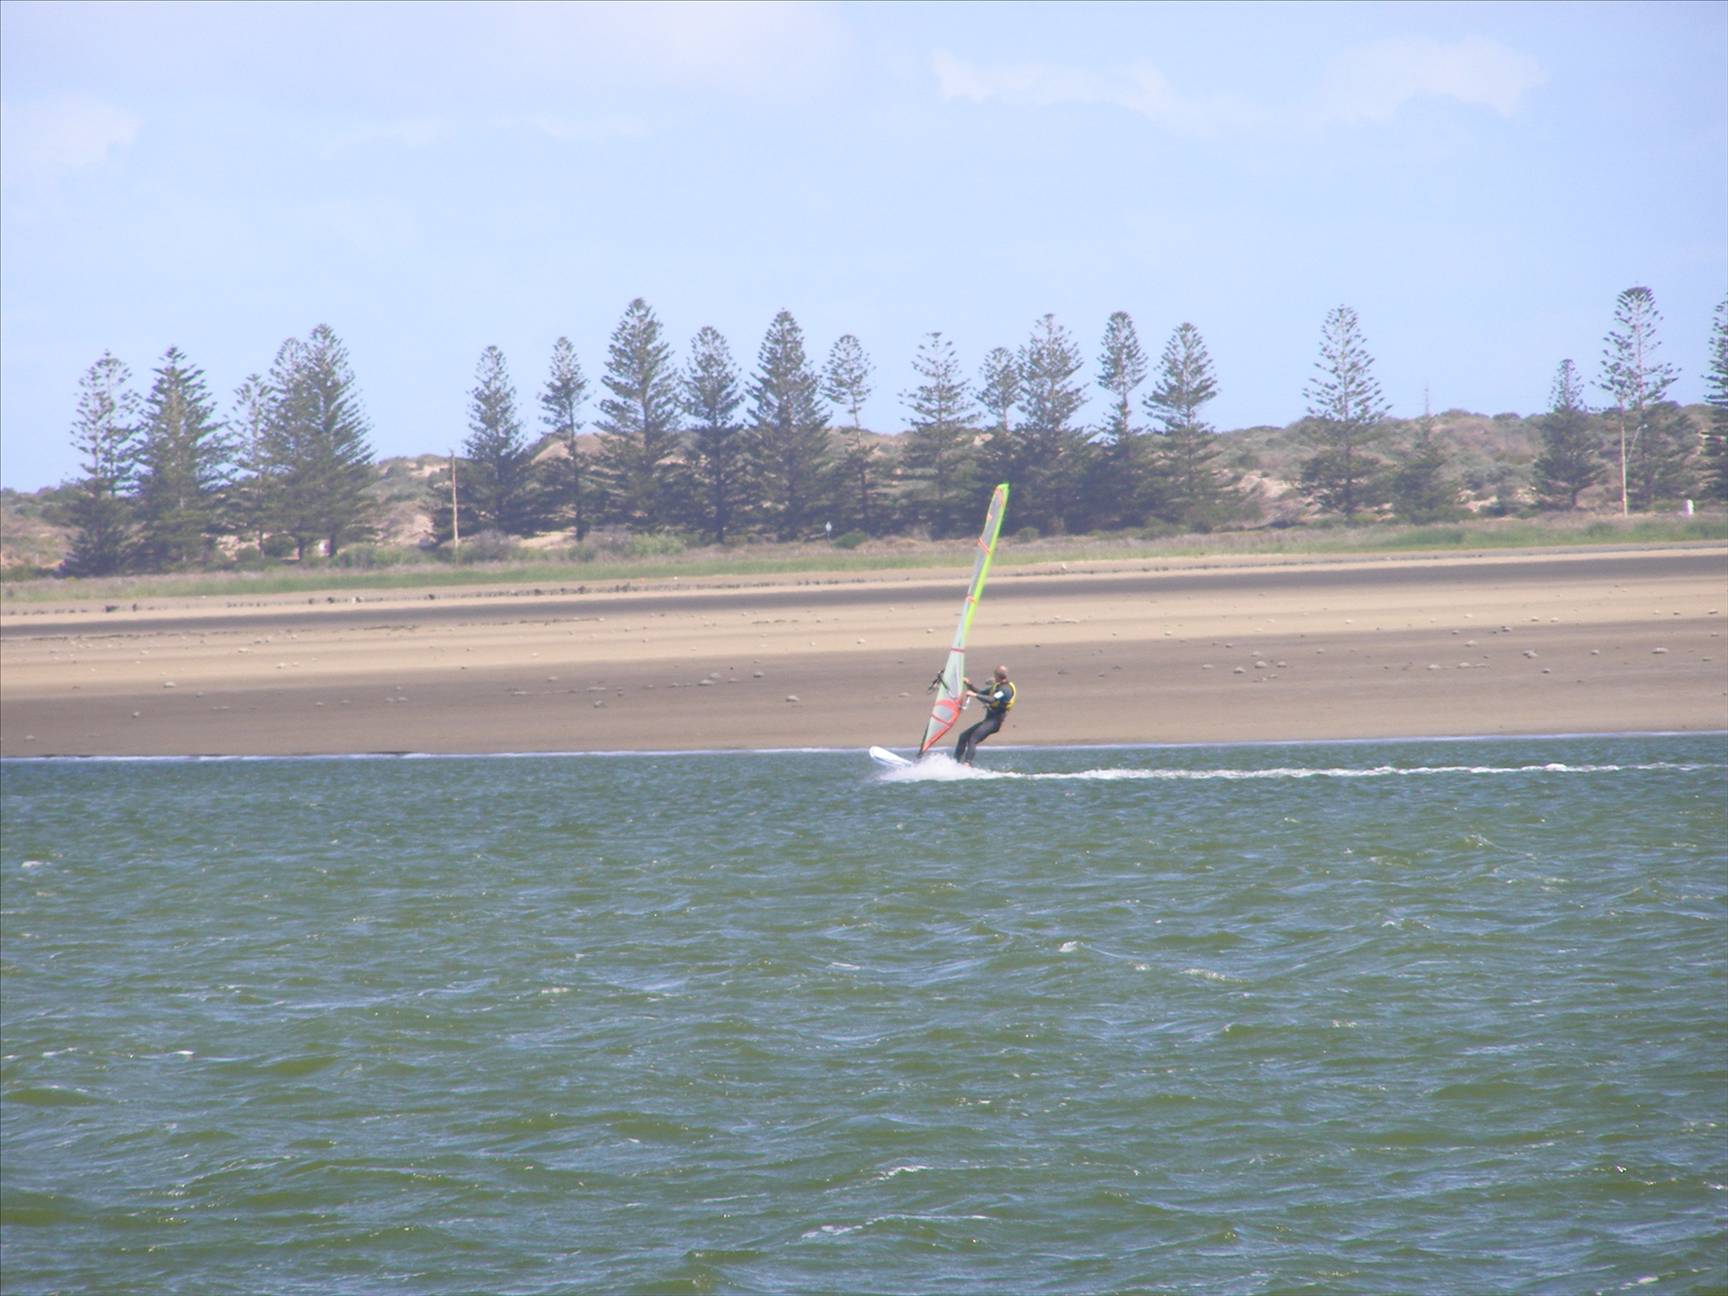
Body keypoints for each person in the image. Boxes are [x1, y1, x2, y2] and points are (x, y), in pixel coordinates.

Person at [955, 664, 1016, 765]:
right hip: (989, 720)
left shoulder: (1005, 690)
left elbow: (992, 699)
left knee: (973, 739)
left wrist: (974, 695)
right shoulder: (997, 686)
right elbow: (982, 693)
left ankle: (967, 764)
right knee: (963, 736)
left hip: (995, 721)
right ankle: (955, 763)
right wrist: (969, 684)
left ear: (996, 675)